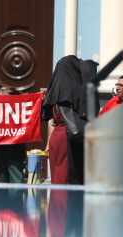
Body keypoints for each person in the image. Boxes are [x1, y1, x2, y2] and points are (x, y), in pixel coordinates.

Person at [42, 55, 99, 184]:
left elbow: (53, 121)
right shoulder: (74, 89)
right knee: (68, 178)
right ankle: (68, 205)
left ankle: (57, 205)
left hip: (56, 137)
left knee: (57, 178)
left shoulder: (55, 89)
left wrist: (47, 142)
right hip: (70, 137)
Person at [0, 87, 27, 184]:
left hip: (15, 154)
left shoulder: (20, 111)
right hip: (0, 154)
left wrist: (41, 101)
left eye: (1, 98)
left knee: (16, 188)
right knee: (4, 187)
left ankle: (16, 200)